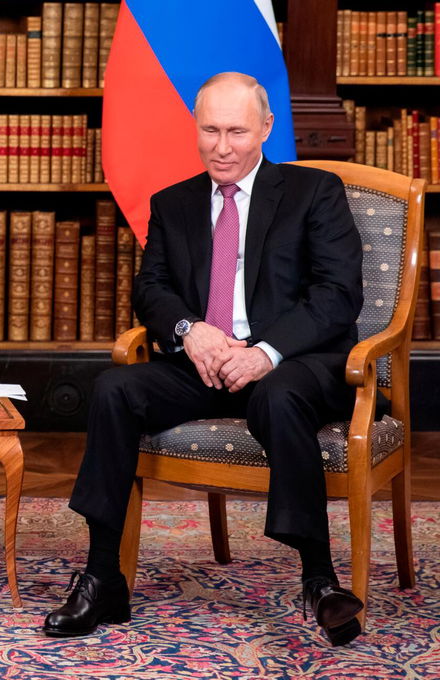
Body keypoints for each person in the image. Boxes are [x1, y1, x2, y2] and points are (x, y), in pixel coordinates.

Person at [43, 72, 366, 646]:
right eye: (209, 130)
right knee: (116, 389)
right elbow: (153, 289)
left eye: (236, 132)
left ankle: (319, 578)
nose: (221, 146)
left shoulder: (313, 192)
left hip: (296, 364)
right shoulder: (174, 203)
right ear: (194, 127)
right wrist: (191, 331)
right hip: (204, 364)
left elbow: (337, 296)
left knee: (278, 393)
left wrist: (266, 352)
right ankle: (101, 576)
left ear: (266, 129)